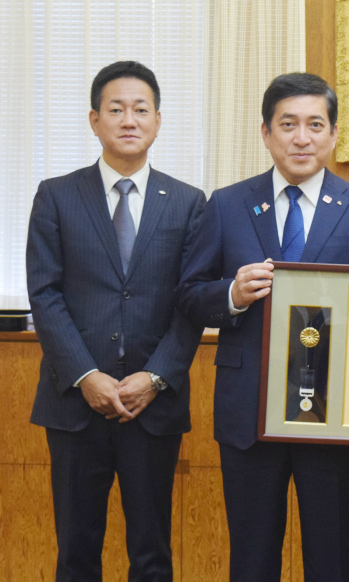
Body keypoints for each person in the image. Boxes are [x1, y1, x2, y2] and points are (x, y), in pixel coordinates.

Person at [176, 72, 349, 582]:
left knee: (334, 558)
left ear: (334, 134)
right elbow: (189, 296)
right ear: (266, 133)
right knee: (251, 559)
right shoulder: (227, 205)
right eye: (288, 124)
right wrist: (231, 293)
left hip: (333, 420)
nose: (302, 137)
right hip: (249, 412)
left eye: (315, 124)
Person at [26, 61, 206, 581]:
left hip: (153, 404)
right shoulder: (56, 196)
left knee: (151, 555)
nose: (129, 119)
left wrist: (155, 377)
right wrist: (86, 376)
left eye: (141, 109)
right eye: (116, 109)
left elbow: (190, 303)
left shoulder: (190, 204)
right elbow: (45, 293)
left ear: (157, 120)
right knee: (76, 553)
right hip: (74, 405)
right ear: (94, 119)